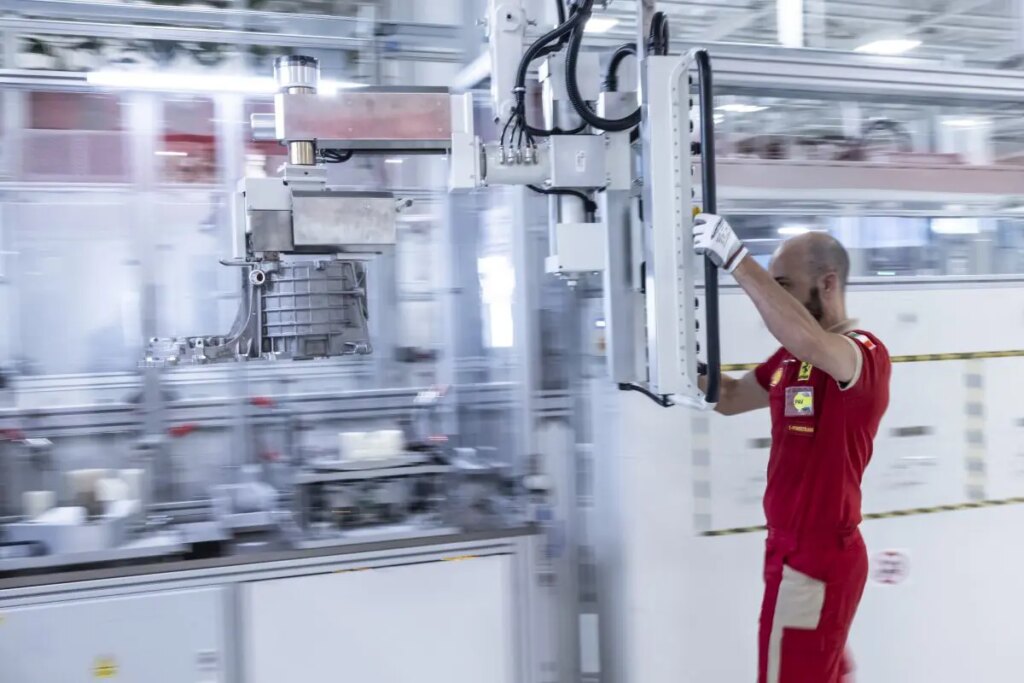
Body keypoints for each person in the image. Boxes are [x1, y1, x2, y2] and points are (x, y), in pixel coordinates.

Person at [689, 214, 892, 683]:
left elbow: (808, 339)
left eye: (783, 287)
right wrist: (672, 361)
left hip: (816, 557)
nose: (773, 298)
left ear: (828, 284)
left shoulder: (863, 354)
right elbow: (731, 397)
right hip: (790, 552)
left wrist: (737, 260)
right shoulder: (791, 359)